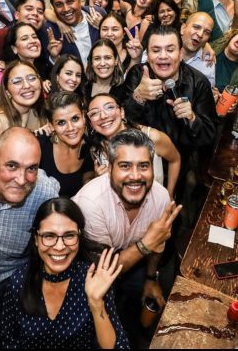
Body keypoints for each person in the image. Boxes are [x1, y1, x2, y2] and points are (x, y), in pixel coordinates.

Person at [72, 129, 181, 344]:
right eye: (125, 166)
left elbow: (158, 244)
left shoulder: (160, 197)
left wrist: (151, 279)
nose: (135, 176)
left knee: (137, 313)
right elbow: (102, 273)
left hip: (134, 264)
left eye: (143, 166)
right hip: (89, 275)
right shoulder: (91, 203)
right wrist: (145, 244)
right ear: (110, 168)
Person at [0, 128, 60, 342]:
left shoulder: (45, 194)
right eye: (12, 166)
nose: (21, 179)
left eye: (31, 168)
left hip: (17, 281)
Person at [0, 198, 129, 349]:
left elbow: (118, 346)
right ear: (36, 239)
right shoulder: (19, 281)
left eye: (69, 235)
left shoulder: (94, 278)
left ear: (79, 237)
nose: (60, 246)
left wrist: (96, 302)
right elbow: (9, 341)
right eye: (49, 236)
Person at [122, 25, 217, 155]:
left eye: (170, 50)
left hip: (180, 160)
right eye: (156, 50)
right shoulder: (137, 74)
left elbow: (209, 136)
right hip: (140, 155)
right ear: (147, 55)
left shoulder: (198, 82)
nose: (163, 56)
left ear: (180, 53)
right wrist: (138, 97)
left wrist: (192, 118)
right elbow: (122, 122)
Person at [86, 94, 181, 197]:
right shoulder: (96, 149)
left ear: (122, 112)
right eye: (94, 113)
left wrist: (169, 195)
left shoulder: (151, 137)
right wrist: (99, 179)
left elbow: (175, 160)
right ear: (91, 124)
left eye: (109, 107)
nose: (103, 116)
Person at [0, 61, 46, 155]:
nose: (27, 85)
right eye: (17, 81)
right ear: (7, 92)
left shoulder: (38, 114)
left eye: (32, 78)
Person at [38, 92, 95, 198]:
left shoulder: (90, 146)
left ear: (83, 117)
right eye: (61, 123)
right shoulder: (40, 146)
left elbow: (88, 181)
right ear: (51, 125)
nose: (70, 128)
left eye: (75, 119)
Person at [0, 0, 46, 66]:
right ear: (17, 15)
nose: (35, 13)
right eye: (29, 9)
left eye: (40, 12)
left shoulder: (44, 36)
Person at [43, 0, 101, 66]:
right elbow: (48, 68)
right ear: (53, 7)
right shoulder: (49, 30)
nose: (66, 9)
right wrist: (54, 57)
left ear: (80, 0)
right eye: (59, 5)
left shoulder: (97, 15)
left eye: (70, 1)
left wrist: (103, 27)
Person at [83, 39, 128, 104]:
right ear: (91, 62)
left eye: (107, 58)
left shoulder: (125, 91)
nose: (102, 63)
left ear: (116, 60)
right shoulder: (83, 86)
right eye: (97, 58)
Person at [180, 12, 216, 87]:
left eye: (207, 32)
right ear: (183, 28)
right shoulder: (165, 48)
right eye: (196, 27)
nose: (200, 34)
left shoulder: (208, 62)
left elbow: (208, 90)